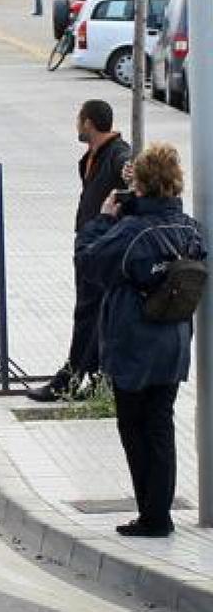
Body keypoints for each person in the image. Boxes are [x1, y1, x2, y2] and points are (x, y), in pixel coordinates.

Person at [75, 143, 205, 538]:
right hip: (175, 341)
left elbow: (89, 262)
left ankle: (151, 516)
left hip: (134, 343)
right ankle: (158, 513)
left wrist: (102, 219)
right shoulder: (190, 229)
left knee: (133, 426)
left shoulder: (131, 231)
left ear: (142, 184)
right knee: (161, 425)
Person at [29, 100, 132, 402]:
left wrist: (129, 172)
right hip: (92, 244)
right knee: (95, 314)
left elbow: (126, 164)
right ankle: (97, 377)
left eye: (79, 119)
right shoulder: (94, 155)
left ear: (88, 123)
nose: (76, 125)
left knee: (88, 313)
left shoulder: (116, 153)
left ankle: (70, 379)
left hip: (102, 249)